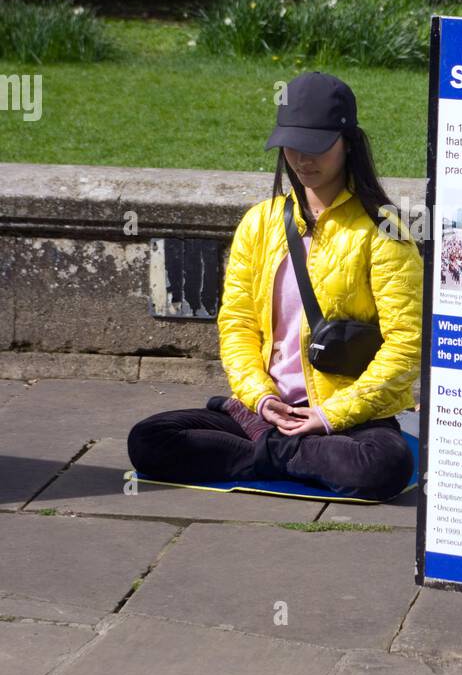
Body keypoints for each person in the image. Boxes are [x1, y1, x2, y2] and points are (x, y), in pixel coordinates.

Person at [127, 71, 421, 501]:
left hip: (346, 417)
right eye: (291, 146)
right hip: (267, 412)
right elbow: (237, 323)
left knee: (385, 465)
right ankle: (287, 452)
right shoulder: (259, 222)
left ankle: (268, 454)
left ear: (348, 143)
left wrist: (327, 415)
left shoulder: (383, 231)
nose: (302, 159)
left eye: (316, 146)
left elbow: (405, 344)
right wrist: (261, 399)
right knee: (149, 439)